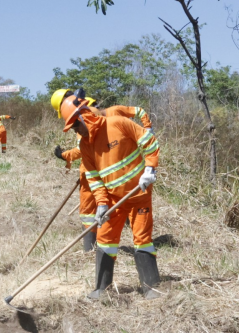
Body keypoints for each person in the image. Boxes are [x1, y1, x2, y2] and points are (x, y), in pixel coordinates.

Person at [59, 95, 161, 299]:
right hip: (114, 199)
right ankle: (101, 289)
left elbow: (150, 142)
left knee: (142, 239)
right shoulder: (85, 146)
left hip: (138, 194)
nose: (75, 131)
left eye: (75, 126)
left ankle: (151, 288)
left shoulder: (118, 123)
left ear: (85, 117)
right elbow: (94, 178)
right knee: (105, 240)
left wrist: (149, 169)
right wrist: (102, 205)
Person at [50, 89, 153, 251]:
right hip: (104, 172)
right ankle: (96, 246)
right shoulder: (107, 114)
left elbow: (81, 150)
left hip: (103, 172)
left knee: (89, 210)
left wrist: (65, 156)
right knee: (107, 206)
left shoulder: (88, 119)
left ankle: (89, 248)